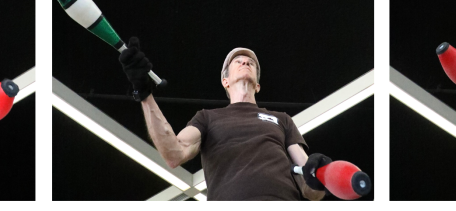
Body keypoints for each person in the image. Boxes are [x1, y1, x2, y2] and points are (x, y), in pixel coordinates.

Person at [118, 38, 331, 201]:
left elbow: (310, 188)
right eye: (237, 61)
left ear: (257, 85)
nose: (245, 61)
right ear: (225, 81)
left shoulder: (282, 119)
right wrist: (145, 95)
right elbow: (175, 153)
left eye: (251, 63)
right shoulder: (208, 118)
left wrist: (320, 176)